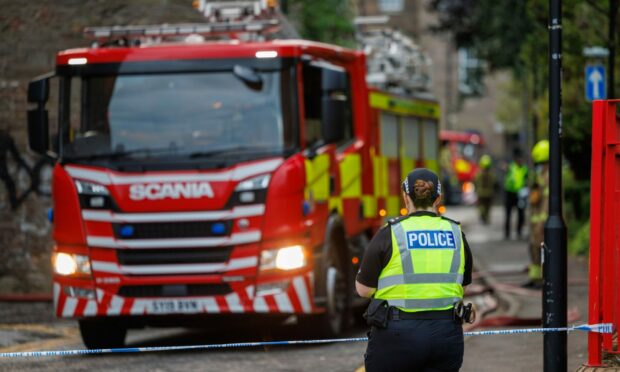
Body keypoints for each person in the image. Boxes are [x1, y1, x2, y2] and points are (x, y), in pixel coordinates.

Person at [356, 168, 473, 372]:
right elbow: (463, 283)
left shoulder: (390, 233)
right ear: (438, 199)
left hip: (397, 336)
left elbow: (363, 290)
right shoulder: (456, 233)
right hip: (446, 335)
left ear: (405, 196)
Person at [523, 140, 549, 289]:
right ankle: (535, 278)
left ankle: (543, 280)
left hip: (541, 221)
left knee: (541, 251)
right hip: (536, 220)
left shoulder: (549, 176)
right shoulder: (541, 175)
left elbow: (546, 200)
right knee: (533, 249)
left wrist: (542, 221)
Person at [503, 148, 528, 239]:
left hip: (520, 194)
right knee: (508, 214)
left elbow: (526, 179)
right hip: (510, 193)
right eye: (518, 159)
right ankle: (507, 233)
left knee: (521, 214)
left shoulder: (524, 169)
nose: (520, 160)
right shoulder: (510, 167)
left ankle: (519, 231)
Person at [474, 154, 495, 224]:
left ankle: (483, 216)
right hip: (489, 193)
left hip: (481, 193)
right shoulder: (491, 175)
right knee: (487, 207)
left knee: (482, 206)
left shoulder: (479, 175)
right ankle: (486, 218)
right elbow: (494, 183)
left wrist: (476, 190)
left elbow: (475, 182)